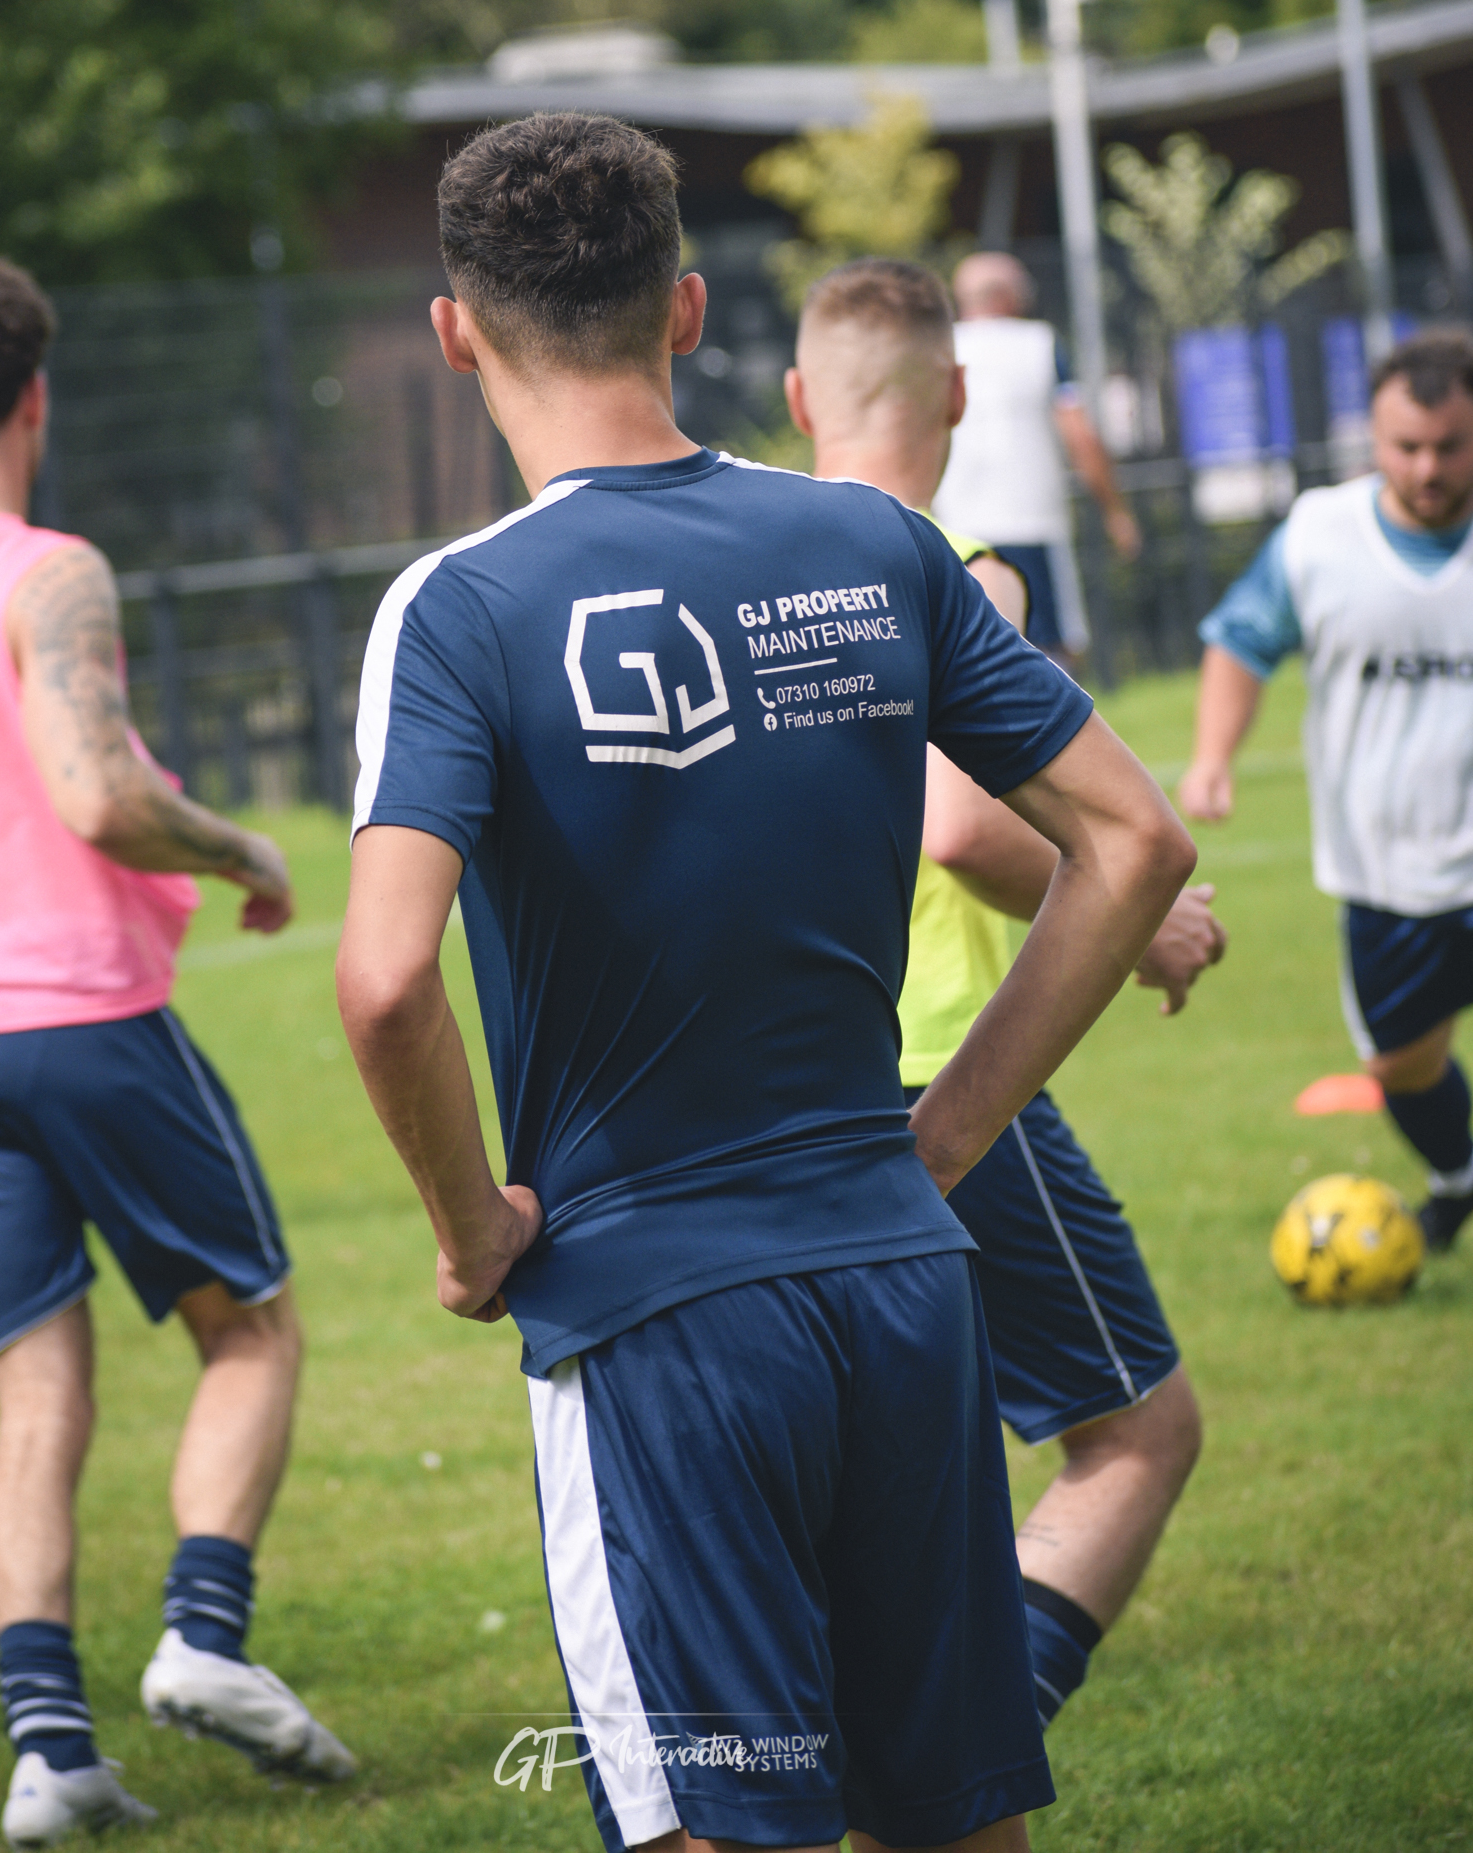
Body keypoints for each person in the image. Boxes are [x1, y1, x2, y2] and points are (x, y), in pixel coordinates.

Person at [336, 112, 1196, 1853]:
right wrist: (940, 1141)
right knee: (949, 1812)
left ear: (453, 331)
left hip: (653, 1318)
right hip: (902, 1285)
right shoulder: (874, 550)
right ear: (688, 308)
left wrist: (471, 1230)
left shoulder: (457, 608)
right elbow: (1136, 844)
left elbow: (380, 984)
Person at [0, 253, 355, 1848]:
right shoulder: (46, 572)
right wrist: (244, 849)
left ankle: (49, 1758)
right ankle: (204, 1637)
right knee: (248, 1328)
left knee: (37, 1394)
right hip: (83, 1022)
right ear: (34, 395)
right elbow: (100, 793)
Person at [785, 257, 1222, 1728]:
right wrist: (1132, 918)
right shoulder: (962, 564)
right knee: (1134, 1436)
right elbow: (962, 824)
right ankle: (959, 1741)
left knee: (902, 1461)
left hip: (789, 1080)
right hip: (944, 1078)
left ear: (794, 402)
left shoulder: (758, 569)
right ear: (962, 393)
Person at [1181, 329, 1473, 1254]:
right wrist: (1212, 755)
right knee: (1398, 1060)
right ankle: (1459, 1177)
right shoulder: (1318, 534)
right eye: (1406, 447)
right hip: (1386, 864)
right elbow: (1241, 638)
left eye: (1449, 447)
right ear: (1374, 441)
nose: (1426, 468)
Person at [933, 251, 1140, 663]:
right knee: (1050, 654)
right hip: (1033, 524)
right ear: (1010, 297)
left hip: (955, 529)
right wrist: (1116, 510)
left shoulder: (938, 351)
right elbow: (1078, 434)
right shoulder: (1039, 344)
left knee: (969, 655)